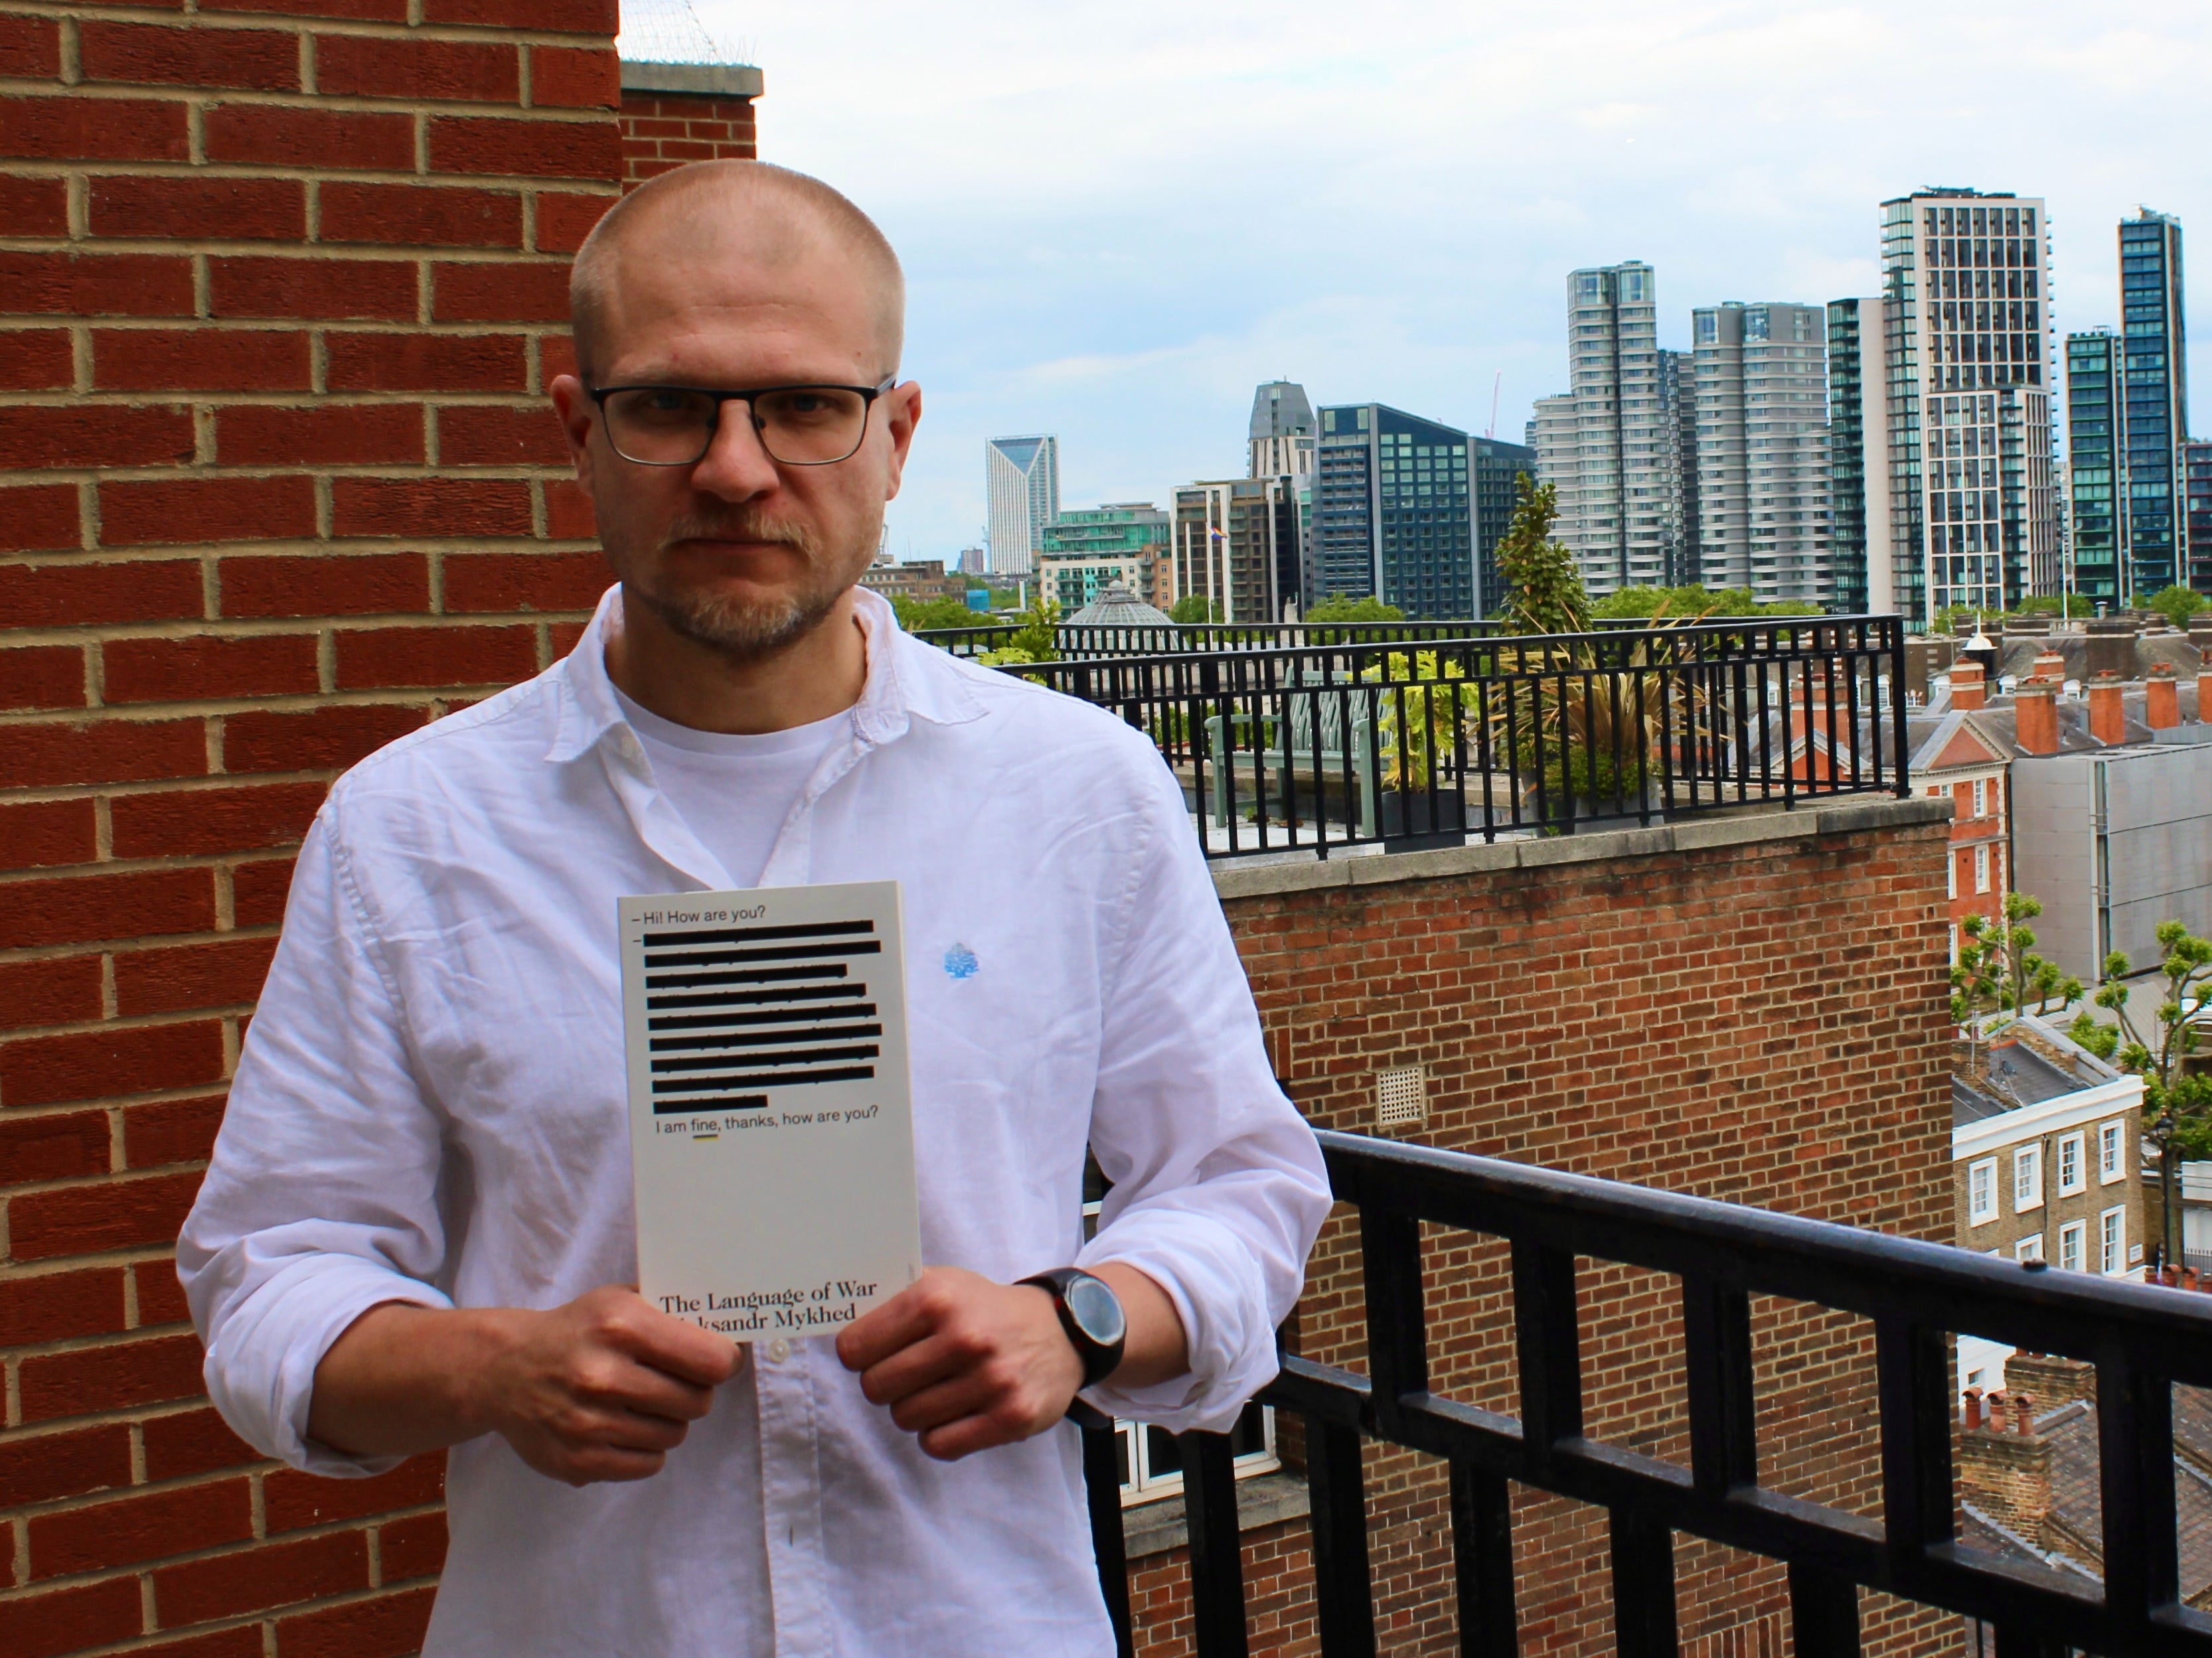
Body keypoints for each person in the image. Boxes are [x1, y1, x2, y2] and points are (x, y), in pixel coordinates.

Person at [179, 160, 1330, 1658]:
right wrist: (495, 1365)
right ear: (577, 431)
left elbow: (1243, 1192)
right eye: (669, 406)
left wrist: (1080, 1320)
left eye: (801, 404)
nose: (736, 467)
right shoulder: (414, 831)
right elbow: (268, 1283)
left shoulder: (1079, 793)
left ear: (897, 432)